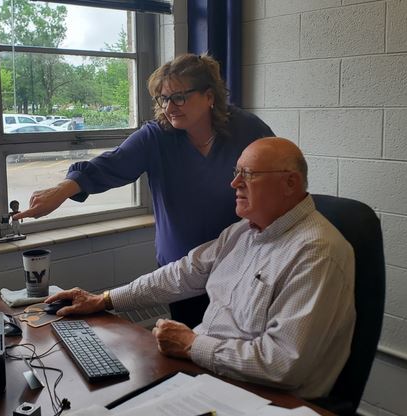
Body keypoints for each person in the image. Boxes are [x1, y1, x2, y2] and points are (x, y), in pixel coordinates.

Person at [44, 138, 356, 399]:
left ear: (290, 183)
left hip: (265, 398)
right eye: (236, 172)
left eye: (248, 174)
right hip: (210, 376)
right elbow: (180, 274)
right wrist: (104, 299)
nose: (234, 183)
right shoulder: (244, 232)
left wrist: (193, 345)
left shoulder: (316, 253)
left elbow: (283, 365)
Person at [13, 53, 274, 327]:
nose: (170, 106)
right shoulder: (157, 136)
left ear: (209, 97)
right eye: (163, 98)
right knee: (193, 346)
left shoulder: (246, 130)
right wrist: (61, 190)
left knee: (237, 345)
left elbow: (280, 176)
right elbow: (111, 164)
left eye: (179, 97)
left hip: (240, 265)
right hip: (180, 271)